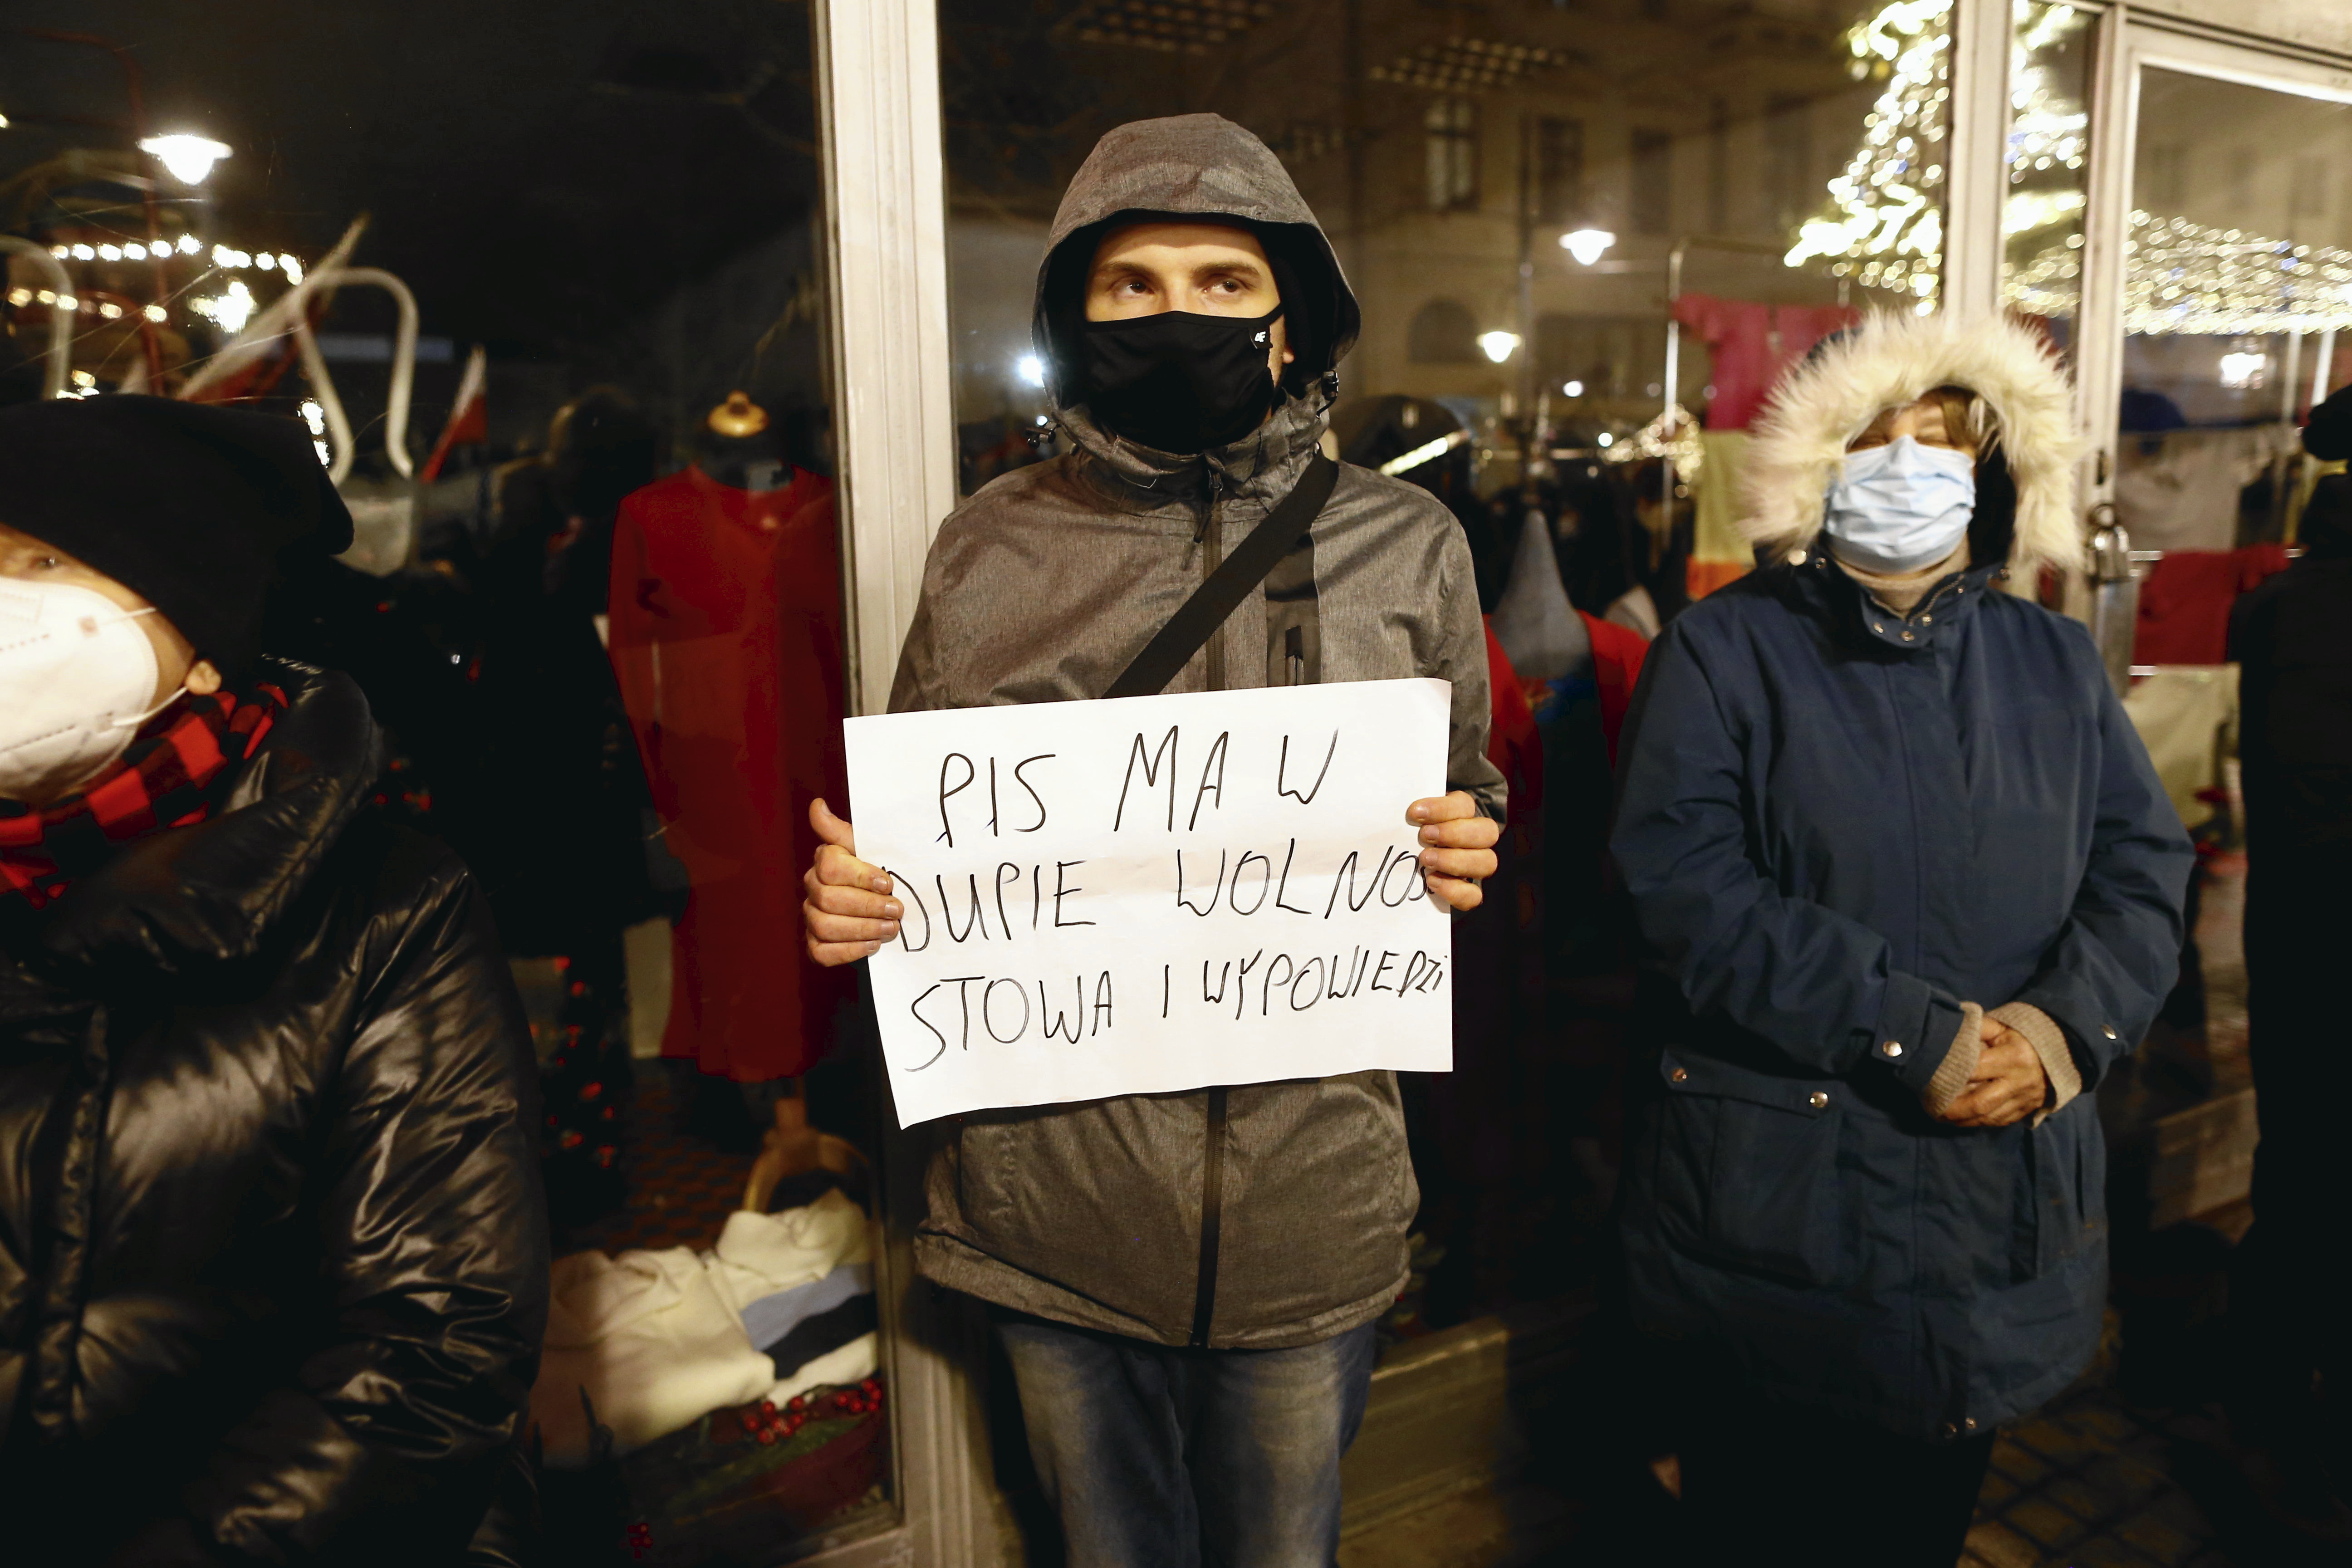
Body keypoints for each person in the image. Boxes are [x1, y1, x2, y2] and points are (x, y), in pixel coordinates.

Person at [800, 114, 1503, 1563]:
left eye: (1221, 279)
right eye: (1133, 283)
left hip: (1314, 1210)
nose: (1177, 311)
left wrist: (1466, 844)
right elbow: (917, 840)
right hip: (1049, 1212)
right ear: (1077, 310)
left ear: (1289, 312)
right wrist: (857, 899)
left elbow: (1466, 785)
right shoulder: (989, 546)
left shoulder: (1408, 542)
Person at [1609, 314, 2192, 1568]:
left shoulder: (2053, 659)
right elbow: (1682, 886)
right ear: (1822, 462)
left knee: (1919, 1530)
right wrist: (1907, 1029)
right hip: (1782, 1220)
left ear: (1991, 473)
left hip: (1994, 1209)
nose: (1912, 463)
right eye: (1877, 439)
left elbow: (2142, 869)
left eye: (1944, 441)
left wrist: (2057, 1037)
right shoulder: (1725, 648)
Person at [0, 396, 547, 1565]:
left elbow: (429, 1346)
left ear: (198, 641)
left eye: (44, 560)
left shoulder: (385, 909)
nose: (10, 604)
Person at [2222, 383, 2352, 1540]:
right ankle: (2272, 1431)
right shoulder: (2308, 614)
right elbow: (2315, 814)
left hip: (2309, 955)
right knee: (2316, 1190)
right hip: (2326, 963)